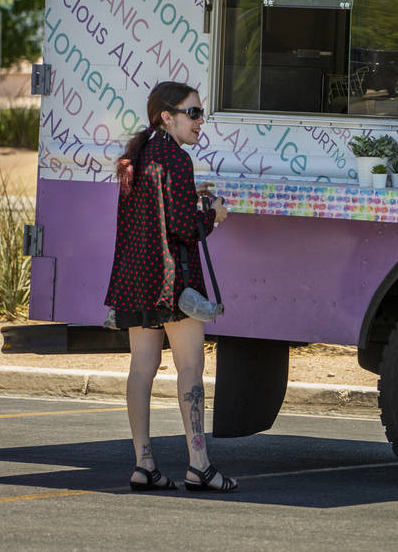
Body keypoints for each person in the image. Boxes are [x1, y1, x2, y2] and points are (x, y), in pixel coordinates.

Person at [105, 81, 237, 493]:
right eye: (193, 113)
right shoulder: (177, 160)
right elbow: (182, 228)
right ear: (168, 116)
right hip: (174, 283)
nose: (201, 122)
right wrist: (214, 214)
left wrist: (188, 199)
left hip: (134, 281)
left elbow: (148, 217)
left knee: (141, 370)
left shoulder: (137, 155)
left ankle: (143, 463)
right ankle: (199, 463)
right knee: (190, 370)